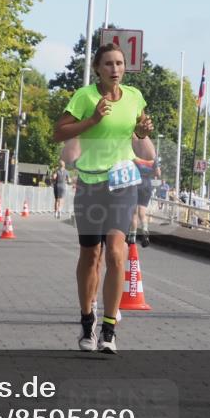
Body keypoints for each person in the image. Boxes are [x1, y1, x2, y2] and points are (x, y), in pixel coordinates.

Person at [53, 43, 153, 354]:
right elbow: (59, 132)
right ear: (98, 68)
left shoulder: (135, 97)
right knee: (90, 256)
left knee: (115, 253)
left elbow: (140, 136)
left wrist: (141, 129)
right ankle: (87, 321)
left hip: (122, 183)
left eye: (120, 63)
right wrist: (92, 121)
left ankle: (109, 329)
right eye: (108, 63)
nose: (115, 69)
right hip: (90, 183)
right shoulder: (85, 97)